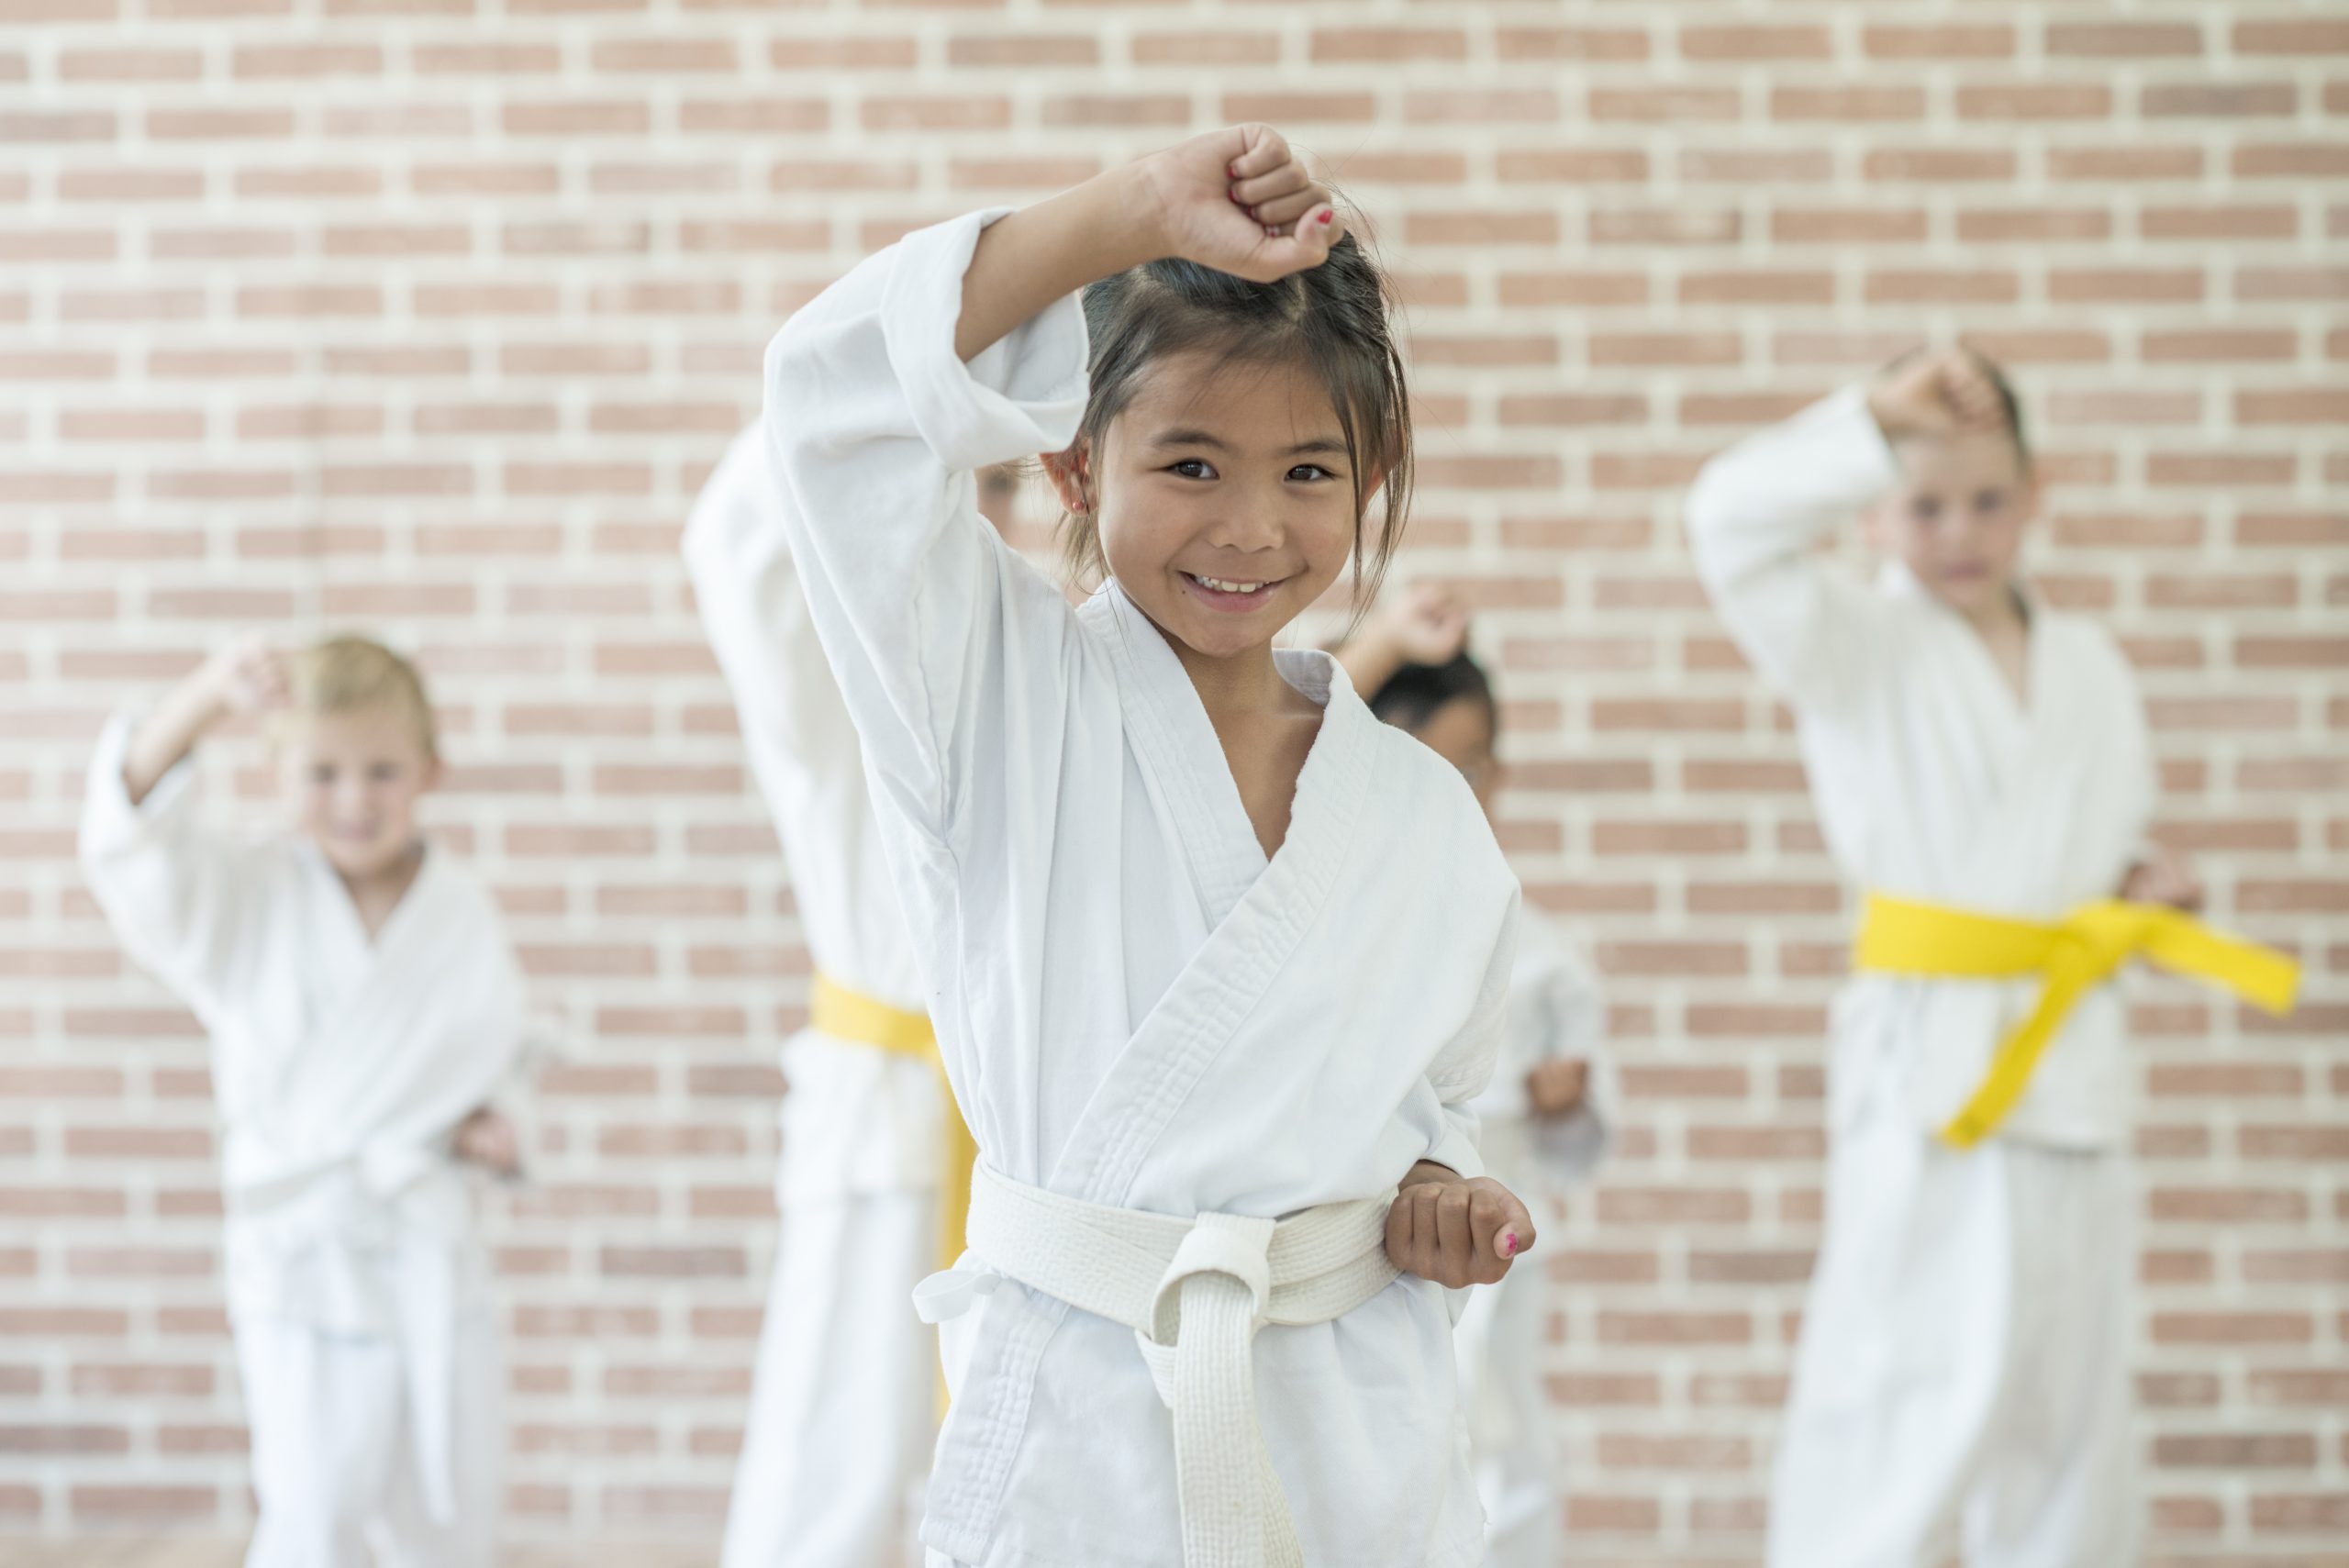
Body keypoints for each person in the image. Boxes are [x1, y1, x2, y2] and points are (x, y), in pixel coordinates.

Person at [760, 123, 1536, 1568]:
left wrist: (1438, 1196)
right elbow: (831, 395)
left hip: (1355, 1451)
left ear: (1370, 477)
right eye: (1190, 462)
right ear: (1071, 464)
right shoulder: (991, 701)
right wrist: (1127, 214)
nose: (1250, 527)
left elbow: (1436, 1103)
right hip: (1083, 1446)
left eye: (1309, 472)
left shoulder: (1424, 815)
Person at [1688, 347, 2209, 1566]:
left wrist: (2134, 886)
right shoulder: (1855, 640)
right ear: (1872, 507)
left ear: (2033, 494)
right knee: (1895, 1390)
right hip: (1931, 1071)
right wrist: (1877, 414)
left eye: (1987, 499)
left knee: (2068, 1411)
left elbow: (2089, 842)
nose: (1960, 532)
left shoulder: (2090, 665)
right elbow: (1725, 520)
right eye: (1924, 503)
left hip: (2071, 1069)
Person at [78, 634, 528, 1568]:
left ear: (429, 771)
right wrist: (208, 694)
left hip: (428, 1252)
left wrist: (490, 1120)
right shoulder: (247, 896)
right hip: (302, 1259)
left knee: (447, 1514)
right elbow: (129, 837)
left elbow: (492, 1051)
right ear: (277, 773)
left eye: (381, 770)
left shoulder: (460, 911)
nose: (355, 799)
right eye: (322, 772)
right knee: (315, 1508)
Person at [685, 428, 1002, 1568]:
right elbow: (737, 547)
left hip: (1027, 1123)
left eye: (984, 486)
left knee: (1023, 1454)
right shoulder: (835, 682)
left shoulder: (1039, 669)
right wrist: (896, 377)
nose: (954, 513)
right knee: (838, 1453)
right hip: (888, 1112)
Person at [1339, 585, 1619, 1568]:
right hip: (1366, 1235)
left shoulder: (1534, 944)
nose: (1445, 792)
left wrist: (1567, 1101)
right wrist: (1382, 641)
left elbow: (1581, 1125)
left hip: (1504, 1232)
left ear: (1497, 773)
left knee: (1507, 1441)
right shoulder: (1332, 927)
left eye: (1467, 767)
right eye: (1415, 762)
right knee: (1384, 1451)